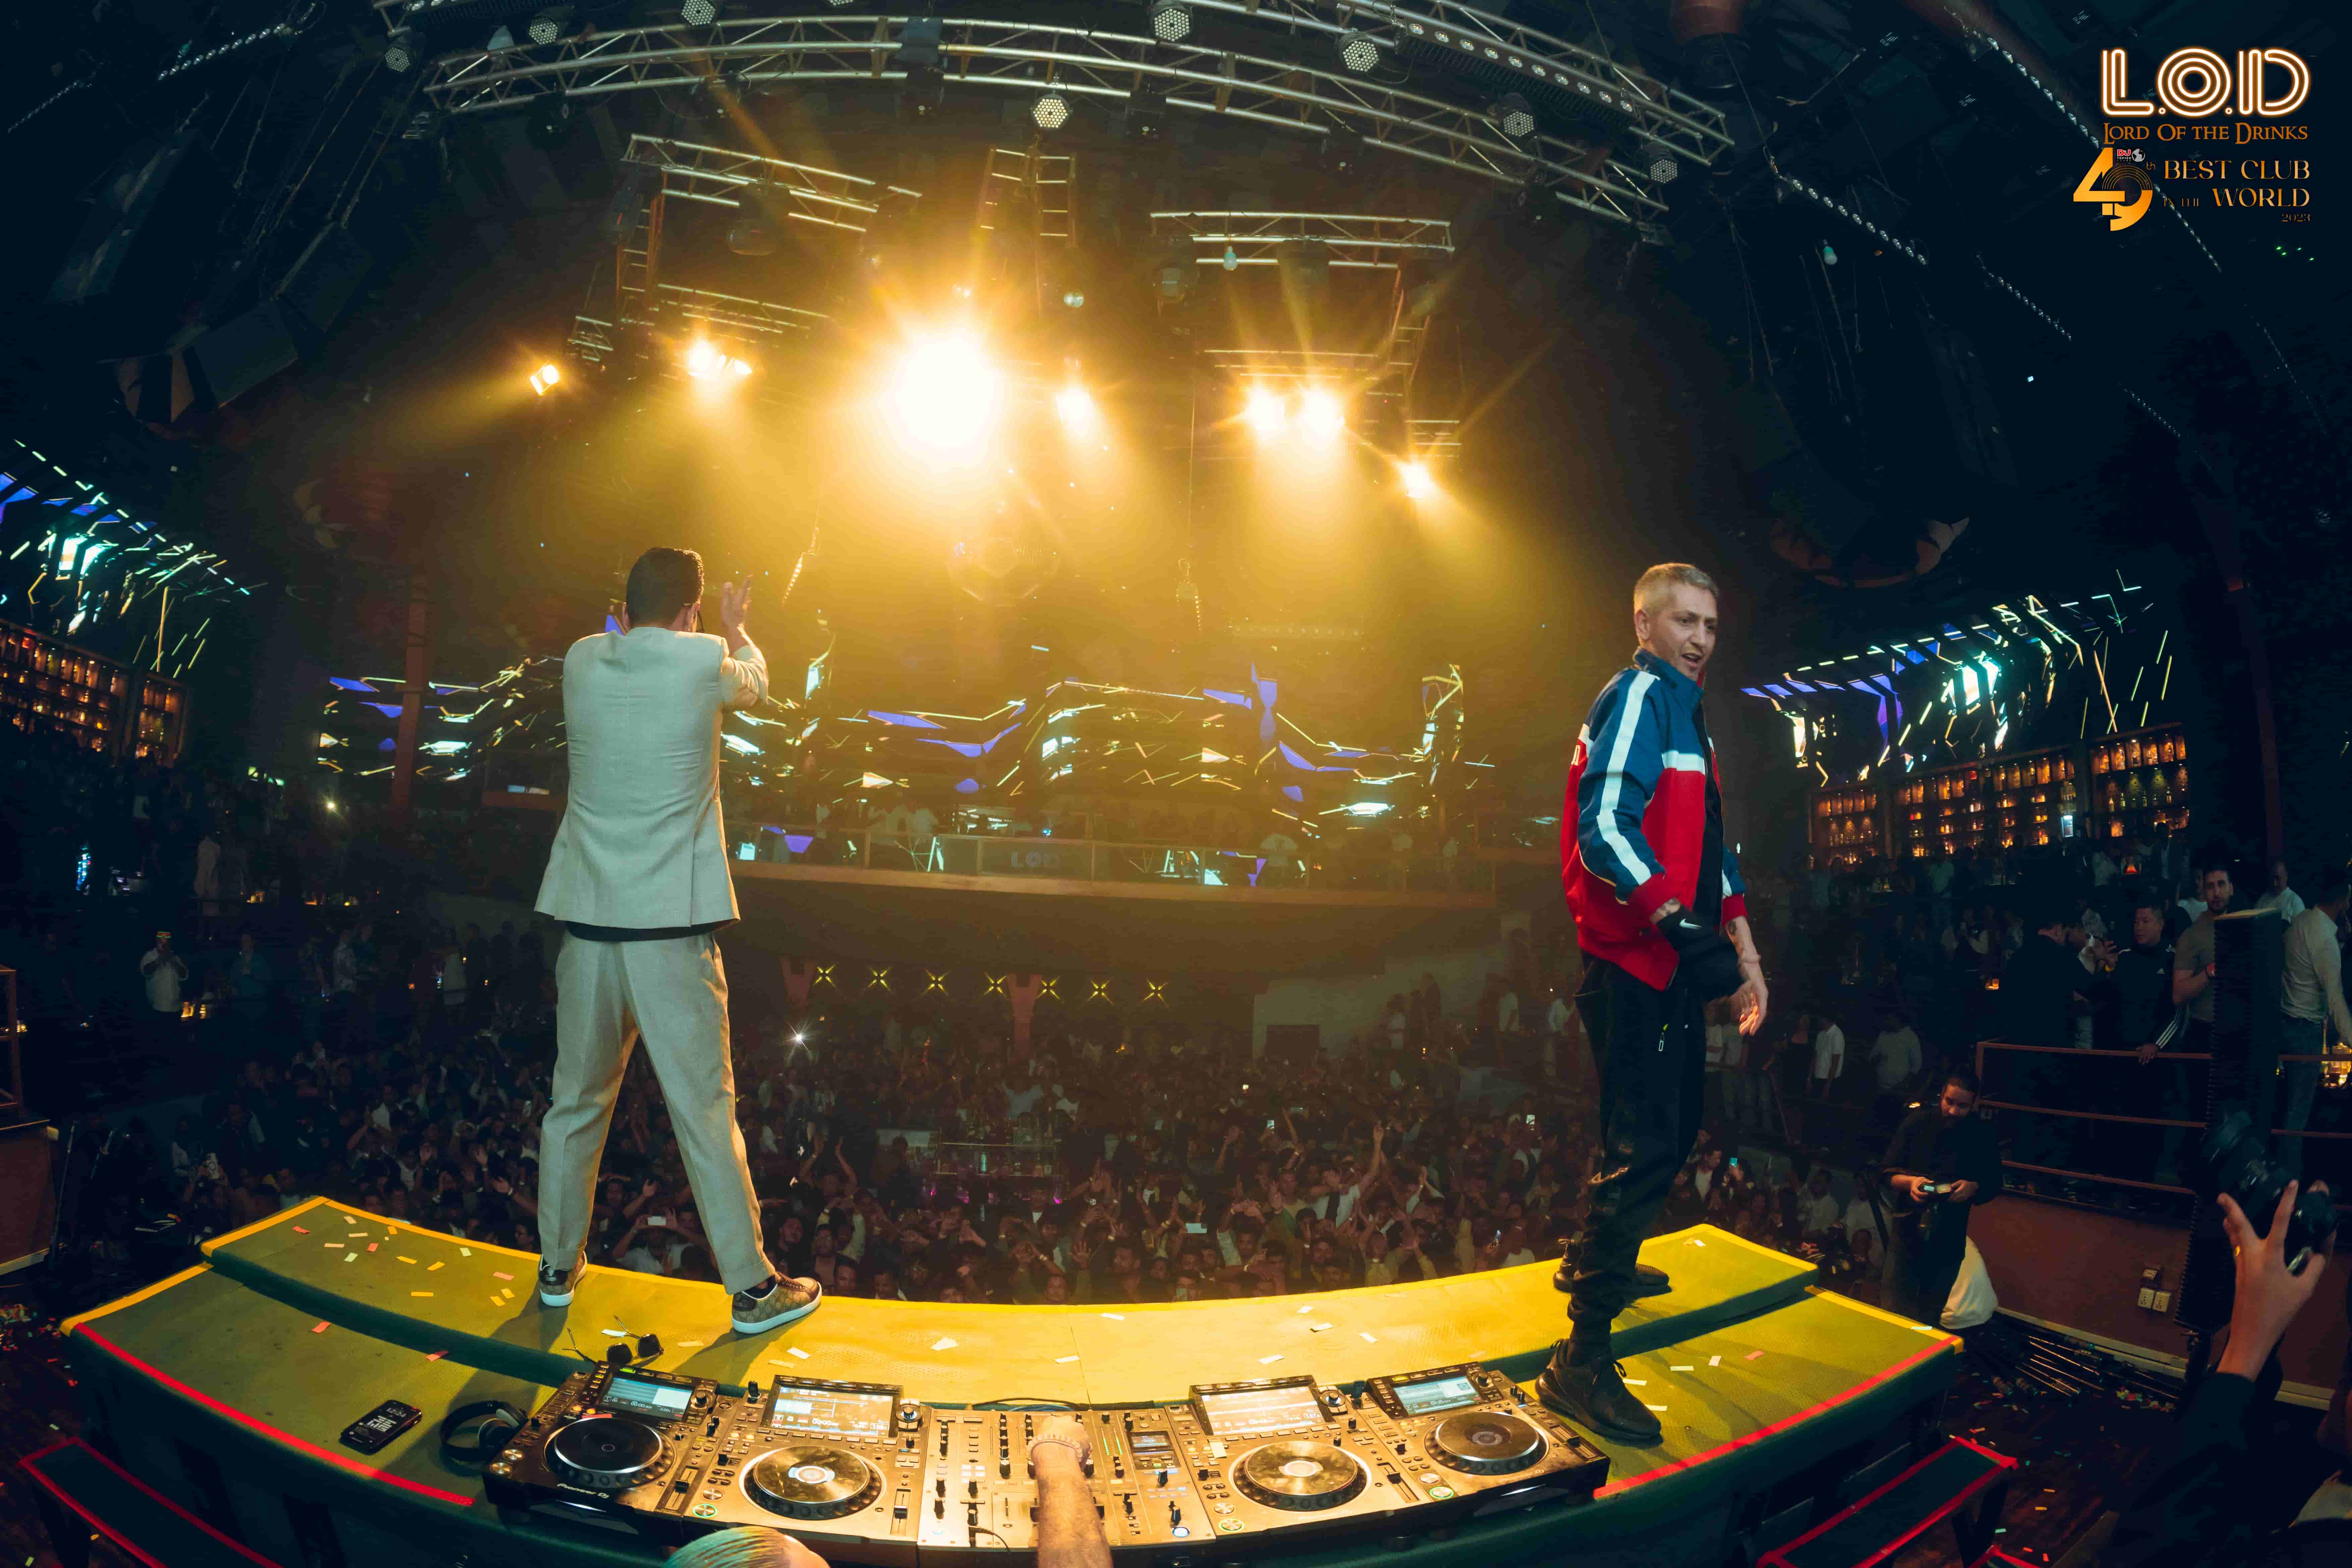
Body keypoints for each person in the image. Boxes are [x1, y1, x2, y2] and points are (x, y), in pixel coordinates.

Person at [532, 547, 820, 1336]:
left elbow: (623, 643)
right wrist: (739, 627)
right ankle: (753, 1289)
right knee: (703, 1112)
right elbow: (757, 683)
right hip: (669, 934)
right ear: (692, 611)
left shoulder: (582, 660)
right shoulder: (707, 660)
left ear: (624, 609)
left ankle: (557, 1267)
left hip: (587, 925)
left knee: (573, 1104)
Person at [1542, 562, 1767, 1447]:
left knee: (1648, 1136)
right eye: (1685, 622)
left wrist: (1745, 949)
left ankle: (1595, 1260)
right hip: (1632, 960)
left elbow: (1714, 849)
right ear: (1644, 625)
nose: (1702, 639)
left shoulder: (1687, 714)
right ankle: (1581, 1361)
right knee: (1648, 1142)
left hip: (1659, 962)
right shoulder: (1639, 695)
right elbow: (1603, 828)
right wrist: (1684, 927)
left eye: (1710, 624)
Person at [2103, 1181, 2343, 1566]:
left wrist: (2243, 1355)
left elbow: (2143, 1554)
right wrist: (2263, 1331)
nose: (2343, 1390)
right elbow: (2227, 1490)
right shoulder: (2320, 1472)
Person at [1879, 1070, 2001, 1324]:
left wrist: (1974, 1187)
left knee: (1929, 1319)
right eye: (1950, 1102)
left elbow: (1994, 1184)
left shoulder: (1982, 1133)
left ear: (1974, 1104)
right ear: (1941, 1096)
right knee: (1893, 1313)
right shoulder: (1917, 1123)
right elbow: (1886, 1174)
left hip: (1949, 1238)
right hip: (1907, 1233)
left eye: (1962, 1106)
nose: (1954, 1111)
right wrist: (1911, 1183)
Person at [2277, 874, 2352, 1181]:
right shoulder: (2325, 941)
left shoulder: (2302, 921)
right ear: (2342, 900)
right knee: (2298, 1114)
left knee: (2289, 1109)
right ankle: (2290, 1184)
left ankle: (2284, 1178)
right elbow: (2336, 1002)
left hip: (2285, 1022)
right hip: (2306, 1030)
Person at [2172, 865, 2235, 1055]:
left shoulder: (2243, 927)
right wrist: (2210, 971)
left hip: (2239, 1028)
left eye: (2221, 885)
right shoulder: (2191, 936)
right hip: (2205, 1031)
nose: (2216, 893)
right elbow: (2178, 995)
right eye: (2210, 887)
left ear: (2231, 889)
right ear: (2204, 892)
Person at [140, 931, 189, 1031]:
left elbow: (184, 975)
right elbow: (146, 971)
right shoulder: (150, 956)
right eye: (161, 943)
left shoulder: (175, 957)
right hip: (157, 1009)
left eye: (166, 944)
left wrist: (174, 962)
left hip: (176, 1009)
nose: (164, 946)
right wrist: (160, 960)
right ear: (157, 942)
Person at [2257, 859, 2306, 923]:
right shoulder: (2262, 900)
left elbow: (2301, 928)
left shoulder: (2295, 901)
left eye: (2278, 878)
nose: (2275, 883)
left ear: (2286, 877)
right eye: (2272, 878)